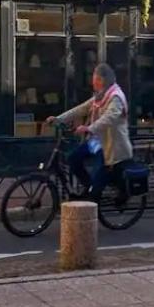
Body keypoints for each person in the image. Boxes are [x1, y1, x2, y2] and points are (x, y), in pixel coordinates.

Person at [47, 64, 132, 203]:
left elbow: (109, 118)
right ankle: (88, 187)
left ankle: (111, 192)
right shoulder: (100, 96)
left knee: (98, 179)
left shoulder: (116, 96)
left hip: (111, 146)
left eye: (95, 79)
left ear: (102, 80)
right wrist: (58, 119)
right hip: (97, 142)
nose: (93, 82)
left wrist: (89, 128)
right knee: (73, 158)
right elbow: (81, 109)